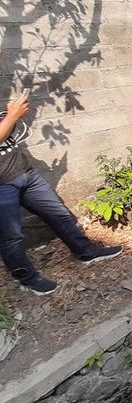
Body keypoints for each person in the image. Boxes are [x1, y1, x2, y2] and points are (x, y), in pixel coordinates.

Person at [1, 94, 123, 295]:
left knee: (58, 213)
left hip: (24, 172)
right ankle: (27, 278)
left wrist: (14, 116)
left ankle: (86, 252)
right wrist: (12, 116)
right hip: (2, 185)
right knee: (11, 236)